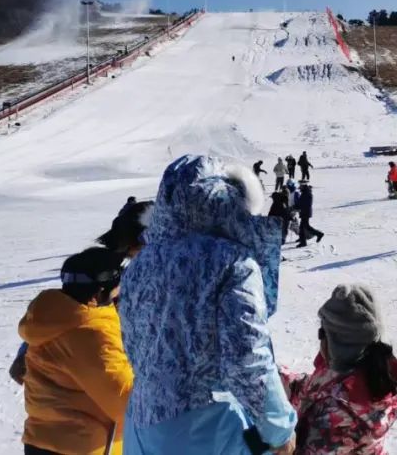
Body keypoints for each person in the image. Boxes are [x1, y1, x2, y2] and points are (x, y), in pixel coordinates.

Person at [119, 155, 297, 455]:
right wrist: (279, 429)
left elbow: (133, 346)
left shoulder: (140, 265)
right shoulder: (232, 261)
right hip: (205, 431)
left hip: (141, 423)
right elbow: (246, 356)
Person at [18, 247, 134, 455]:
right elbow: (125, 402)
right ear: (101, 291)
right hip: (81, 446)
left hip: (40, 441)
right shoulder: (91, 334)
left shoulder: (52, 316)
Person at [282, 285, 397, 455]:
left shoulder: (341, 414)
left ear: (338, 343)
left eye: (322, 333)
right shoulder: (370, 370)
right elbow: (312, 391)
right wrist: (273, 377)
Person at [297, 182, 325, 247]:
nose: (299, 188)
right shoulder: (305, 192)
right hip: (304, 212)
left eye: (300, 186)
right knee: (303, 227)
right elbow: (301, 202)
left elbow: (305, 204)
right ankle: (303, 242)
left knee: (305, 227)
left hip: (305, 212)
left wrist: (298, 207)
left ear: (303, 186)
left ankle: (319, 234)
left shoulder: (307, 193)